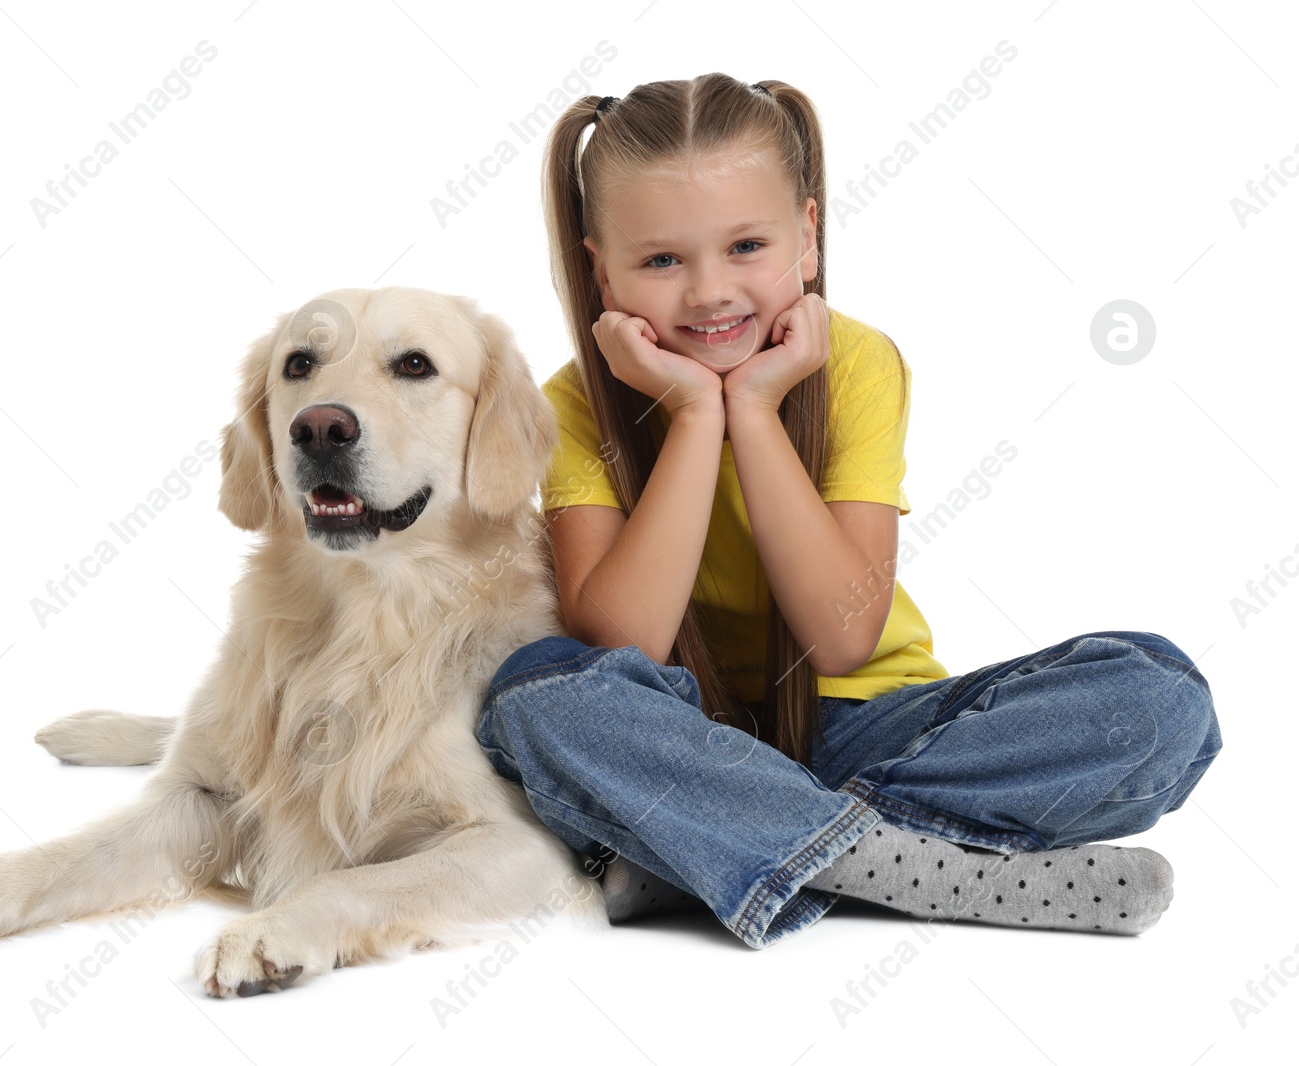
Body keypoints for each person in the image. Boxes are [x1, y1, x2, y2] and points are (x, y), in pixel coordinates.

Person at [474, 73, 1221, 950]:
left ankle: (711, 849)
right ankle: (929, 870)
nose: (711, 291)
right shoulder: (570, 407)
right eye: (663, 261)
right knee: (535, 695)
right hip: (678, 737)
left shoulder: (860, 365)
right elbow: (623, 641)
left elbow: (842, 636)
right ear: (601, 269)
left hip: (873, 727)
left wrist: (754, 411)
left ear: (809, 237)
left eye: (747, 245)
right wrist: (692, 415)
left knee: (1160, 695)